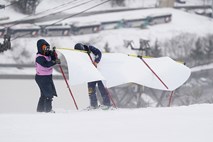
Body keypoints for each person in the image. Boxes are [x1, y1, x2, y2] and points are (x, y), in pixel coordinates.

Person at [74, 43, 111, 110]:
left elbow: (99, 53)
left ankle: (107, 104)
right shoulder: (79, 55)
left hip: (98, 72)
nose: (80, 53)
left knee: (102, 88)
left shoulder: (90, 48)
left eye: (81, 51)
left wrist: (96, 61)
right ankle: (94, 105)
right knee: (91, 90)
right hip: (90, 74)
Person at [35, 39, 61, 113]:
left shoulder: (47, 53)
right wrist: (54, 61)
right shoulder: (39, 57)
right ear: (40, 48)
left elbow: (53, 58)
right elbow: (46, 64)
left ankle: (40, 110)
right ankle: (48, 110)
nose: (46, 50)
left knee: (44, 94)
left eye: (47, 48)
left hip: (48, 77)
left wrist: (54, 55)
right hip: (41, 78)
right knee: (48, 94)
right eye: (44, 48)